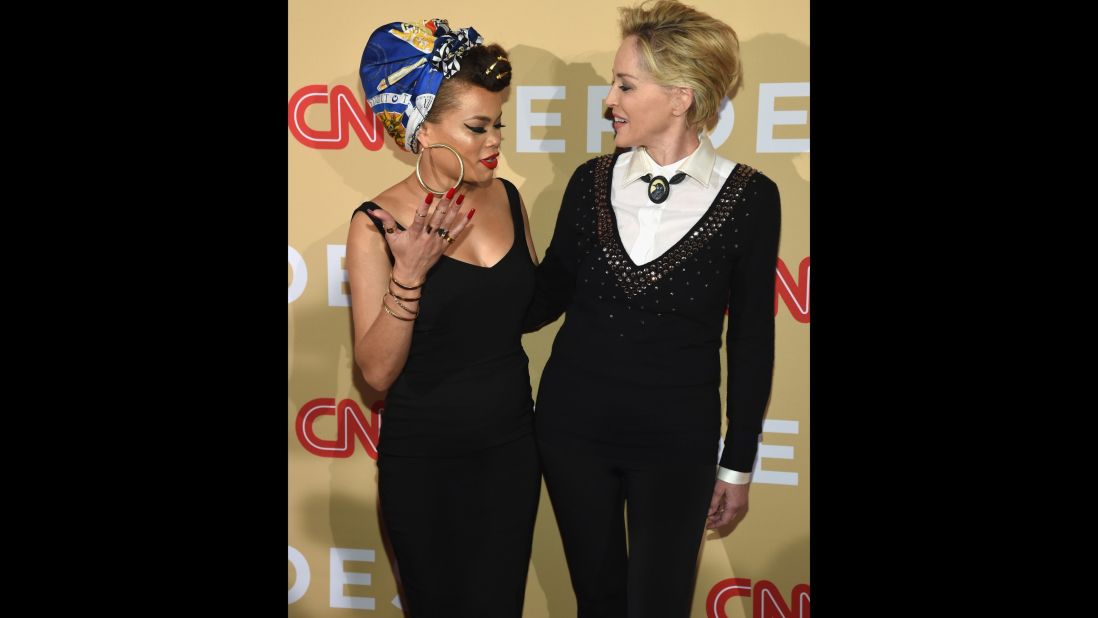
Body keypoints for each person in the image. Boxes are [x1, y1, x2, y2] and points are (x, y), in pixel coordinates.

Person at [525, 1, 782, 615]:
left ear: (680, 96)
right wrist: (449, 272)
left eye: (624, 85)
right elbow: (541, 300)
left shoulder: (751, 198)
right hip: (570, 433)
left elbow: (750, 338)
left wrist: (738, 465)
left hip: (677, 444)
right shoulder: (589, 182)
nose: (609, 100)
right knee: (598, 602)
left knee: (659, 606)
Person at [347, 18, 541, 617]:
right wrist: (411, 273)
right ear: (422, 131)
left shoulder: (507, 197)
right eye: (477, 127)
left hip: (511, 452)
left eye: (498, 124)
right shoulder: (376, 224)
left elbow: (528, 309)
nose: (493, 142)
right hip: (425, 462)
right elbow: (375, 375)